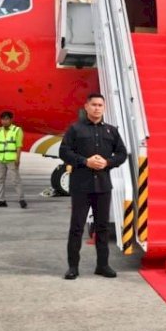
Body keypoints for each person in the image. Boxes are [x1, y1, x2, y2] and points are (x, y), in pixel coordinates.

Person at [59, 93, 127, 280]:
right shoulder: (75, 129)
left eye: (100, 105)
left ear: (104, 108)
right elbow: (64, 151)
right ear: (86, 107)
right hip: (81, 186)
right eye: (94, 105)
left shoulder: (111, 131)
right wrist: (85, 161)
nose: (97, 108)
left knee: (102, 227)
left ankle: (102, 265)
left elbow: (122, 154)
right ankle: (73, 267)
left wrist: (108, 162)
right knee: (77, 227)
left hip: (103, 186)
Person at [0, 111, 26, 208]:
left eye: (6, 119)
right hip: (0, 159)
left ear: (11, 120)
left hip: (11, 160)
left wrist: (18, 159)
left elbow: (19, 146)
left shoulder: (17, 130)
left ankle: (21, 199)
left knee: (15, 180)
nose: (4, 121)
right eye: (2, 119)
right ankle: (1, 200)